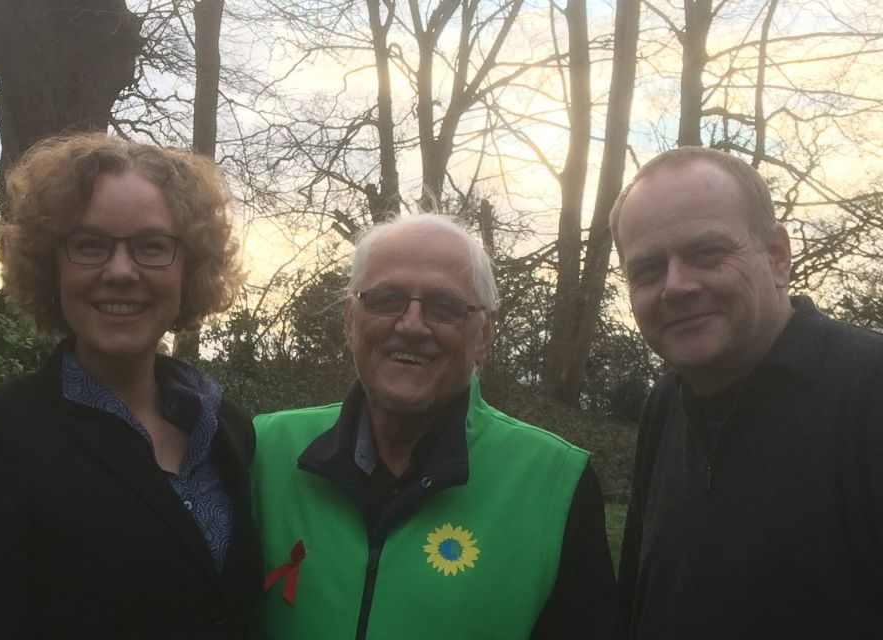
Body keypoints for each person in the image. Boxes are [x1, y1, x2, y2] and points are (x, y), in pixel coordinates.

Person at [0, 133, 261, 638]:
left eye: (152, 246)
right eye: (90, 245)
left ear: (192, 266)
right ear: (50, 264)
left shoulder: (227, 429)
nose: (120, 271)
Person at [251, 213, 617, 639]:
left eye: (444, 306)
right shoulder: (263, 451)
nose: (411, 325)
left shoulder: (555, 481)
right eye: (386, 298)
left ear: (484, 336)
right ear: (350, 319)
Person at [611, 147, 883, 638]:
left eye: (707, 253)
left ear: (778, 256)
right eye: (648, 269)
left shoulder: (869, 391)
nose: (675, 286)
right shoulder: (665, 404)